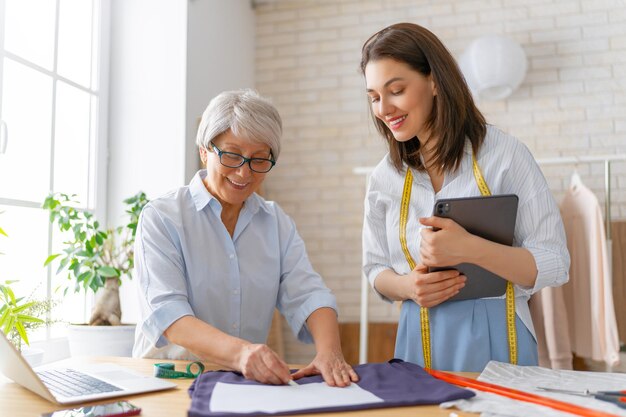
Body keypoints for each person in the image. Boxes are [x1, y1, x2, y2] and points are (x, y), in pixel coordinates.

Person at [360, 23, 570, 372]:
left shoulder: (505, 155)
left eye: (395, 90)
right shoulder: (385, 177)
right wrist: (407, 286)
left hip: (498, 333)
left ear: (434, 81)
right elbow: (374, 269)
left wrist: (470, 248)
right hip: (416, 334)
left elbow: (555, 261)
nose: (384, 108)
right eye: (374, 98)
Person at [133, 89, 358, 387]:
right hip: (168, 384)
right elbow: (169, 316)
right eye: (231, 154)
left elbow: (309, 293)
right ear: (204, 150)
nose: (244, 172)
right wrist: (241, 354)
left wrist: (330, 353)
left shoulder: (275, 223)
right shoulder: (162, 217)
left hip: (240, 385)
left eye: (259, 159)